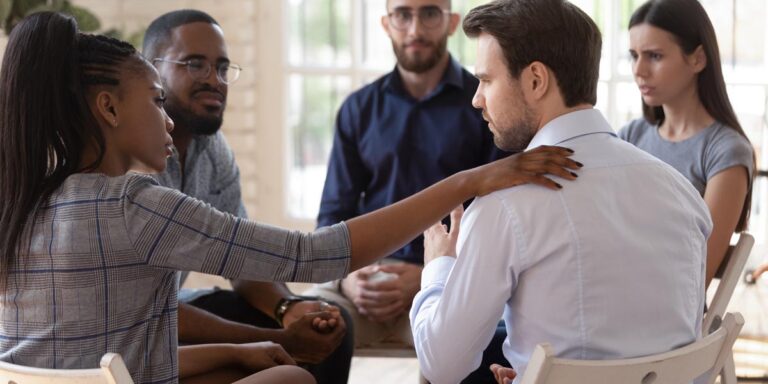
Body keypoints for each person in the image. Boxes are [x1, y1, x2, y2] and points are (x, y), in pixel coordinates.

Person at [0, 11, 580, 384]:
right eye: (154, 100)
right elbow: (315, 252)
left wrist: (256, 345)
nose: (166, 120)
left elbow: (119, 358)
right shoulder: (135, 203)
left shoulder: (26, 198)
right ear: (107, 109)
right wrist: (473, 180)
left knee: (265, 362)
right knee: (294, 381)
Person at [409, 1, 712, 382]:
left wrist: (439, 267)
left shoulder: (505, 206)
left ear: (536, 80)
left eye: (486, 80)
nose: (477, 99)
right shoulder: (682, 193)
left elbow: (442, 367)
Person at [141, 10, 353, 384]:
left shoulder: (213, 148)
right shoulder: (129, 157)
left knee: (330, 329)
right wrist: (277, 338)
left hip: (172, 314)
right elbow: (147, 309)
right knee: (292, 354)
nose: (214, 80)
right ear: (151, 69)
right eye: (195, 64)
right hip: (134, 333)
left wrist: (288, 307)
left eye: (222, 68)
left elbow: (241, 260)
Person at [307, 0, 508, 379]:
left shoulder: (485, 104)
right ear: (386, 23)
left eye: (429, 13)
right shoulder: (358, 109)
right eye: (403, 14)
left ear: (450, 23)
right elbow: (332, 216)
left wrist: (427, 275)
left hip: (451, 278)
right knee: (309, 324)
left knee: (468, 346)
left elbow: (500, 217)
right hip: (366, 282)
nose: (415, 29)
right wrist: (348, 280)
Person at [619, 0, 754, 288]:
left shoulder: (725, 151)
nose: (639, 70)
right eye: (633, 55)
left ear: (698, 59)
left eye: (654, 56)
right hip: (614, 296)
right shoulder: (630, 136)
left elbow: (696, 277)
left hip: (666, 319)